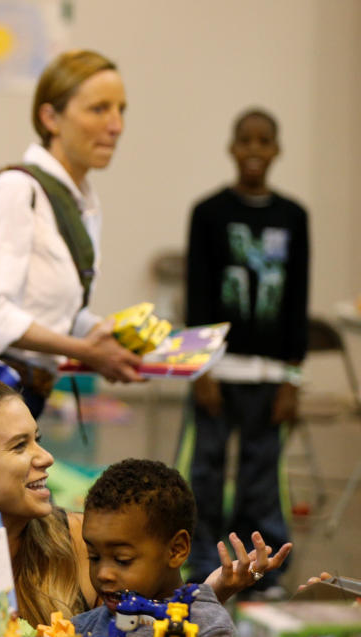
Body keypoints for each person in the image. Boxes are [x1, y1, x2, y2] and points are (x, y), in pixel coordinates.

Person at [0, 372, 292, 627]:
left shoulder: (82, 540)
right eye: (19, 446)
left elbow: (144, 628)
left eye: (37, 440)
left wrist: (210, 591)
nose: (46, 458)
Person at [0, 49, 143, 415]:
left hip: (24, 394)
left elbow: (55, 314)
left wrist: (113, 336)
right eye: (99, 109)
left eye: (121, 110)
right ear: (50, 117)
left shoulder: (80, 201)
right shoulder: (16, 191)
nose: (116, 125)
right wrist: (87, 352)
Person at [176, 108, 308, 595]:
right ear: (232, 148)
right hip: (217, 371)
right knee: (205, 470)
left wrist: (292, 379)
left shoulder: (293, 217)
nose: (254, 150)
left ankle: (262, 565)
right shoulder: (208, 212)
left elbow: (297, 300)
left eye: (264, 141)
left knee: (261, 473)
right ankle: (202, 563)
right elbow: (197, 295)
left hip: (270, 375)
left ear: (276, 150)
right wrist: (200, 369)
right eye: (245, 140)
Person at [72, 459, 235, 637]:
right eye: (94, 557)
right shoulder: (81, 630)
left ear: (176, 550)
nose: (103, 574)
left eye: (122, 560)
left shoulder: (207, 632)